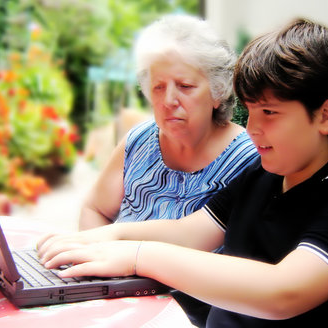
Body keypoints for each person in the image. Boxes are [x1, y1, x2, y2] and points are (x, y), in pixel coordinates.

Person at [38, 18, 328, 327]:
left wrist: (138, 256)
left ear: (327, 116)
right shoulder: (266, 174)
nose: (253, 127)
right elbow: (188, 232)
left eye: (269, 112)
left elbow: (283, 291)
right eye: (250, 110)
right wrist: (94, 240)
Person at [78, 14, 257, 230]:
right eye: (158, 87)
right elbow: (95, 209)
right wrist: (94, 255)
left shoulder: (248, 159)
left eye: (185, 86)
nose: (168, 101)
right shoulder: (139, 141)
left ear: (218, 91)